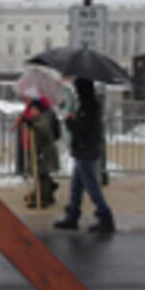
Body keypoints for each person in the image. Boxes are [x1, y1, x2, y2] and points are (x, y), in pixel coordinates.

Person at [54, 78, 114, 233]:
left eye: (77, 88)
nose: (76, 91)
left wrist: (69, 121)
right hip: (84, 150)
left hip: (85, 151)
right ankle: (73, 215)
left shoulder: (89, 107)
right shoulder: (88, 106)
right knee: (76, 186)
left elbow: (82, 129)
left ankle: (105, 216)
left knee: (91, 186)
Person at [20, 97, 60, 209]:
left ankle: (43, 197)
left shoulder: (43, 118)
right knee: (40, 173)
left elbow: (44, 130)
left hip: (46, 152)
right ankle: (48, 191)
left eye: (33, 109)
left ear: (38, 110)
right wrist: (28, 122)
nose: (31, 111)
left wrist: (32, 125)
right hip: (42, 151)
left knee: (41, 174)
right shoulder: (39, 118)